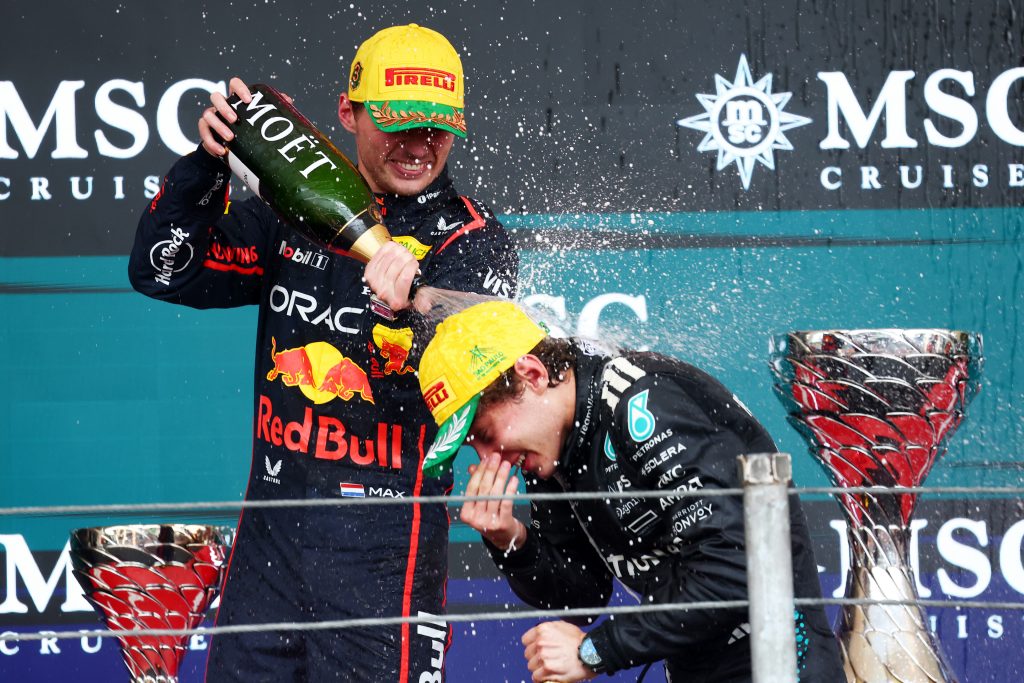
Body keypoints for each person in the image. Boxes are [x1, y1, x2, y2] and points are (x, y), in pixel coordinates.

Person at [128, 24, 518, 682]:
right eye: (398, 125)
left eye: (437, 128)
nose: (419, 146)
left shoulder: (473, 242)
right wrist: (209, 164)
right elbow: (163, 271)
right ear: (348, 113)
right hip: (268, 548)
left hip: (384, 557)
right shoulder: (287, 213)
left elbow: (460, 402)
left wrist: (398, 314)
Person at [416, 301, 844, 683]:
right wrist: (512, 541)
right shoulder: (555, 449)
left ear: (532, 374)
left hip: (780, 664)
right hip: (699, 667)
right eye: (473, 447)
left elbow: (740, 567)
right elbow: (583, 597)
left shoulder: (642, 402)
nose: (491, 457)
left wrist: (595, 651)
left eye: (486, 434)